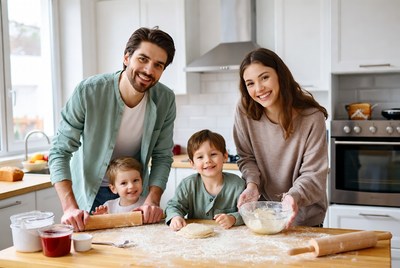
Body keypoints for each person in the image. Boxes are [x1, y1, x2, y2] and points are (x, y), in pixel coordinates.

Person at [49, 27, 176, 231]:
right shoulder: (89, 92)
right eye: (142, 59)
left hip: (135, 193)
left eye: (158, 65)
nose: (149, 70)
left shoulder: (165, 99)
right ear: (127, 57)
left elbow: (162, 156)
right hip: (90, 193)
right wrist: (70, 207)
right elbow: (59, 151)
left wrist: (152, 199)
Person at [233, 48, 329, 228]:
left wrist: (293, 198)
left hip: (304, 217)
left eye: (264, 77)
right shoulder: (245, 110)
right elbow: (246, 157)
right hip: (263, 215)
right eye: (250, 83)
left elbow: (313, 174)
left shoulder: (312, 118)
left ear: (280, 75)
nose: (259, 88)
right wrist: (252, 184)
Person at [165, 129, 245, 231]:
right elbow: (173, 206)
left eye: (213, 154)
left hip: (228, 239)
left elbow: (249, 212)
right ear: (192, 164)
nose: (207, 160)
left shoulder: (238, 185)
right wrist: (175, 217)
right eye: (200, 157)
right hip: (197, 241)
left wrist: (233, 218)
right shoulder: (188, 185)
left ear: (225, 156)